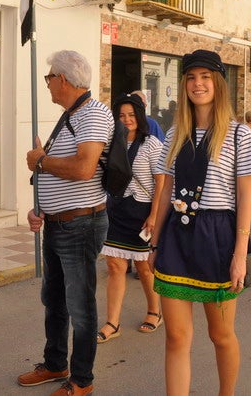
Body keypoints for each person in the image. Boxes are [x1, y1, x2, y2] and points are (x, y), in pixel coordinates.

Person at [148, 49, 251, 395]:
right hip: (177, 237)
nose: (198, 84)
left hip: (218, 236)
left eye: (205, 77)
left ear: (218, 83)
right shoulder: (174, 134)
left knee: (221, 335)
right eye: (191, 78)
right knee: (176, 337)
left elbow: (245, 199)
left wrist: (240, 255)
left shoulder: (240, 135)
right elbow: (165, 193)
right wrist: (153, 242)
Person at [20, 50, 113, 396]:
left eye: (49, 79)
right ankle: (55, 362)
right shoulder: (72, 115)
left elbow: (84, 169)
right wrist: (40, 209)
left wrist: (42, 161)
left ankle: (82, 380)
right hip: (58, 223)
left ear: (63, 79)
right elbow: (61, 169)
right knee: (54, 299)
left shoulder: (93, 114)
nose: (47, 85)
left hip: (80, 225)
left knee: (80, 306)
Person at [98, 93, 165, 344]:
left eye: (131, 114)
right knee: (115, 266)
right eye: (122, 115)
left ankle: (154, 311)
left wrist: (154, 216)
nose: (127, 119)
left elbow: (161, 183)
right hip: (116, 210)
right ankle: (112, 322)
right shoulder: (112, 143)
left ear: (140, 115)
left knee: (144, 267)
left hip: (142, 212)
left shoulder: (152, 144)